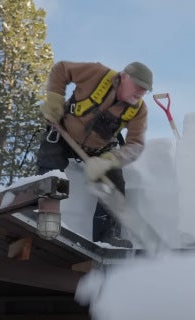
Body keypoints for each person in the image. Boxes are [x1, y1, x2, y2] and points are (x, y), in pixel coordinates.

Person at [35, 60, 152, 247]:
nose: (140, 92)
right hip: (63, 134)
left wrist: (110, 161)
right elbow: (61, 69)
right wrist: (54, 99)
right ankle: (46, 218)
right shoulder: (96, 74)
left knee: (115, 184)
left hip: (99, 150)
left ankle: (107, 236)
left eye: (145, 90)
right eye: (137, 86)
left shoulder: (139, 110)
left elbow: (136, 145)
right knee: (50, 167)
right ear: (123, 77)